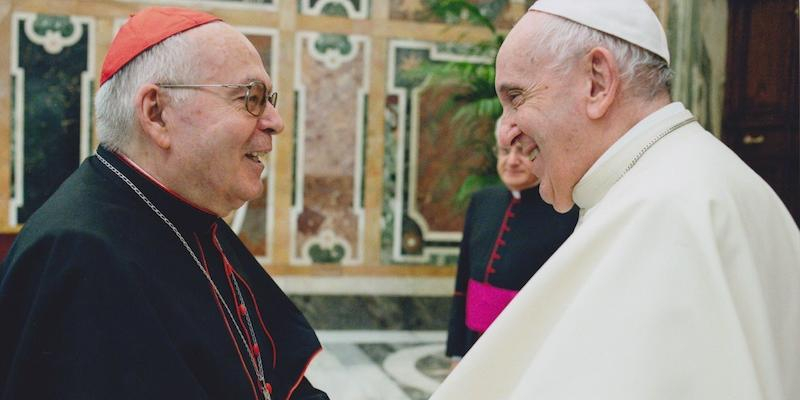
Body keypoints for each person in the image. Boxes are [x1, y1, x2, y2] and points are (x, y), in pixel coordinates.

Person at [431, 0, 800, 399]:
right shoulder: (695, 181)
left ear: (597, 81)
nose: (505, 134)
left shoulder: (668, 214)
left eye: (517, 98)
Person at [0, 7, 328, 400]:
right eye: (251, 98)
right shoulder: (81, 256)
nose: (275, 121)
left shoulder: (184, 214)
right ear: (156, 113)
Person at [446, 131, 577, 360]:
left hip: (529, 345)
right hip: (474, 341)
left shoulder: (566, 211)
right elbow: (463, 281)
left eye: (524, 153)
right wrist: (457, 352)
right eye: (505, 152)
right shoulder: (482, 201)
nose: (512, 161)